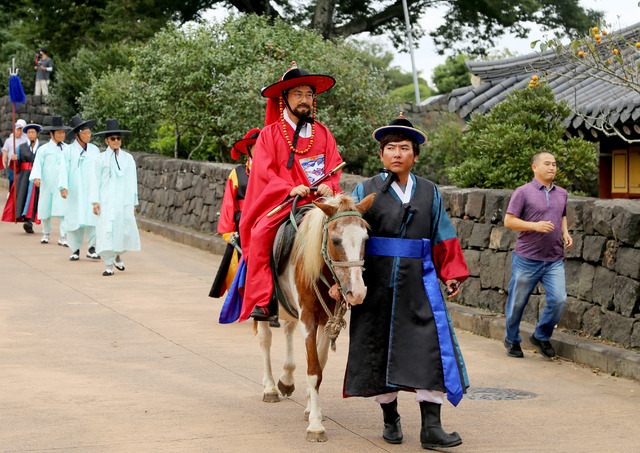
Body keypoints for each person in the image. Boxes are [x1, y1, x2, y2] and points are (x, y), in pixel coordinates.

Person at [345, 116, 469, 450]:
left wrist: (452, 273)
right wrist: (344, 280)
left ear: (415, 155)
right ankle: (391, 420)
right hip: (376, 280)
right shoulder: (365, 189)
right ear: (381, 155)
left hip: (420, 282)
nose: (397, 154)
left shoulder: (429, 191)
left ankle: (432, 429)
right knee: (378, 349)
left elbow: (442, 234)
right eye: (390, 148)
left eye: (404, 148)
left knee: (429, 349)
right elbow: (349, 237)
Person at [238, 63, 343, 322]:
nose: (304, 99)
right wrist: (288, 187)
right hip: (284, 203)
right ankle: (265, 300)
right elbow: (263, 173)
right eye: (298, 94)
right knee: (261, 234)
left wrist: (330, 186)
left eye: (309, 94)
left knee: (352, 231)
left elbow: (334, 167)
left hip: (319, 202)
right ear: (284, 98)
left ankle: (349, 289)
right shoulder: (269, 135)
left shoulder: (323, 133)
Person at [503, 150, 573, 359]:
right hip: (527, 258)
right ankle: (512, 339)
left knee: (559, 299)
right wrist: (534, 226)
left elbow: (561, 215)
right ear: (535, 167)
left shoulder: (562, 193)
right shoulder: (522, 192)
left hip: (554, 259)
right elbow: (509, 221)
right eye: (547, 164)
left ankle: (541, 335)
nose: (552, 167)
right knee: (517, 302)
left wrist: (565, 232)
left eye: (554, 164)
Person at [209, 128, 260, 299]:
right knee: (238, 263)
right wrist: (228, 231)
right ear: (249, 149)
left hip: (264, 221)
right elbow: (228, 203)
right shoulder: (237, 173)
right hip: (241, 223)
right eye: (256, 146)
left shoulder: (272, 170)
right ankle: (241, 299)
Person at [91, 118, 141, 276]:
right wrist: (95, 201)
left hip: (123, 201)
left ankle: (117, 255)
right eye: (113, 139)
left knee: (122, 230)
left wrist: (133, 203)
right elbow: (95, 180)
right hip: (105, 201)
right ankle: (108, 264)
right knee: (106, 231)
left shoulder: (128, 159)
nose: (116, 141)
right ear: (107, 141)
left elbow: (132, 181)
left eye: (118, 138)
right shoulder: (100, 159)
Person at [59, 115, 101, 261]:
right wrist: (63, 187)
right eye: (85, 133)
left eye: (89, 133)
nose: (89, 135)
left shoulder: (95, 150)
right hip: (75, 190)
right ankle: (75, 249)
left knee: (92, 218)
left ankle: (92, 247)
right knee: (74, 218)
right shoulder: (68, 151)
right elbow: (63, 169)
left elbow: (100, 170)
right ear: (78, 135)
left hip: (91, 189)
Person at [30, 116, 69, 245]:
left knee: (63, 210)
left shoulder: (68, 149)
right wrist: (37, 177)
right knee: (45, 209)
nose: (62, 135)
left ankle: (63, 236)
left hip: (62, 183)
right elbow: (38, 164)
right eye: (59, 132)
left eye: (63, 132)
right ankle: (46, 233)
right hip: (47, 182)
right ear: (52, 134)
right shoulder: (43, 149)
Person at [1, 123, 42, 232]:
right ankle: (26, 220)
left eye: (33, 132)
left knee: (36, 198)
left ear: (37, 134)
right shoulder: (20, 148)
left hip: (37, 176)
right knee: (23, 196)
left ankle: (32, 219)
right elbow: (15, 166)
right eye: (29, 132)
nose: (31, 134)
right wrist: (14, 159)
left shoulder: (42, 148)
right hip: (24, 176)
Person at [2, 119, 28, 190]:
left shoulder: (26, 140)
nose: (19, 132)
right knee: (12, 181)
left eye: (21, 130)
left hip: (22, 166)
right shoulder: (9, 140)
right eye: (18, 129)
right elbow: (5, 151)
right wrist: (4, 161)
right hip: (12, 166)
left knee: (22, 184)